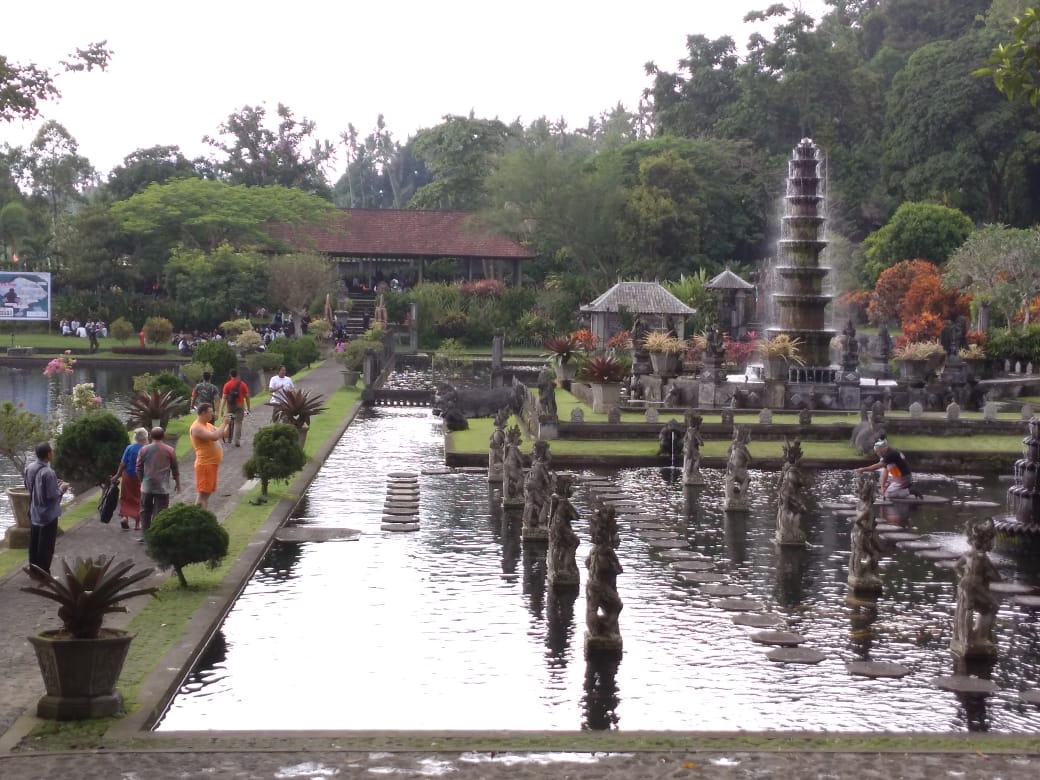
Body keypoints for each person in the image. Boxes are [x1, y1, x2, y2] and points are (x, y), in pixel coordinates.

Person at [23, 441, 69, 576]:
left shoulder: (29, 468)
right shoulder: (48, 472)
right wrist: (62, 488)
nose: (53, 453)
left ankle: (34, 570)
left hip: (34, 511)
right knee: (46, 545)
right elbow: (52, 496)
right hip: (47, 515)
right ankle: (44, 573)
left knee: (34, 543)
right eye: (52, 451)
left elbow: (28, 487)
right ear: (48, 454)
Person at [137, 426, 181, 535]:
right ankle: (156, 535)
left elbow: (138, 467)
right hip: (162, 487)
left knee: (145, 511)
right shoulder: (170, 450)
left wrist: (142, 481)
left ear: (151, 436)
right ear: (163, 436)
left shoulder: (144, 450)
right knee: (160, 512)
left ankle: (145, 535)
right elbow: (175, 468)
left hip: (147, 485)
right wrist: (178, 483)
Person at [190, 403, 229, 508]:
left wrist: (229, 423)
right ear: (203, 413)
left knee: (206, 495)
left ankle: (202, 516)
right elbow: (215, 437)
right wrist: (224, 423)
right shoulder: (197, 427)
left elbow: (225, 434)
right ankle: (199, 516)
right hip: (205, 464)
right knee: (203, 494)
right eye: (210, 413)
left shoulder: (208, 425)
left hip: (211, 464)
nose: (212, 415)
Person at [855, 438, 922, 499]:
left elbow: (878, 466)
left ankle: (911, 491)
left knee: (888, 494)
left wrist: (863, 469)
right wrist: (882, 486)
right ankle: (906, 487)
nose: (877, 453)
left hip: (903, 478)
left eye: (878, 451)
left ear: (883, 448)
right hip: (896, 478)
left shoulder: (891, 454)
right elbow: (885, 471)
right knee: (882, 490)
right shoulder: (886, 455)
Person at [111, 427, 148, 530]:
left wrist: (117, 475)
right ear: (145, 438)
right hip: (140, 477)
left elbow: (123, 463)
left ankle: (124, 517)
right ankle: (137, 524)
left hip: (128, 476)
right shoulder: (146, 449)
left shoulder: (129, 448)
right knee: (139, 499)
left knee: (125, 497)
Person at [219, 369, 251, 447]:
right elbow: (247, 397)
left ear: (230, 375)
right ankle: (237, 440)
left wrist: (222, 409)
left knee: (229, 421)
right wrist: (248, 407)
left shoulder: (227, 385)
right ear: (237, 375)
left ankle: (229, 438)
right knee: (238, 423)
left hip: (230, 406)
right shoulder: (242, 384)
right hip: (240, 405)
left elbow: (224, 397)